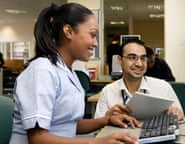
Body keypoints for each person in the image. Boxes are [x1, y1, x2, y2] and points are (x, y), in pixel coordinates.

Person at [9, 3, 140, 144]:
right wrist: (98, 142)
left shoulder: (68, 71)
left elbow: (70, 125)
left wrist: (106, 120)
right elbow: (38, 138)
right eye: (92, 35)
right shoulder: (41, 71)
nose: (96, 43)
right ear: (69, 31)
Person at [94, 39, 184, 120]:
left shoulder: (163, 87)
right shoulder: (108, 92)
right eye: (132, 57)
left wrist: (176, 114)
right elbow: (97, 132)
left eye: (143, 58)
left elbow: (180, 119)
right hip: (119, 137)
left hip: (154, 137)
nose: (139, 64)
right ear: (119, 60)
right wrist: (107, 118)